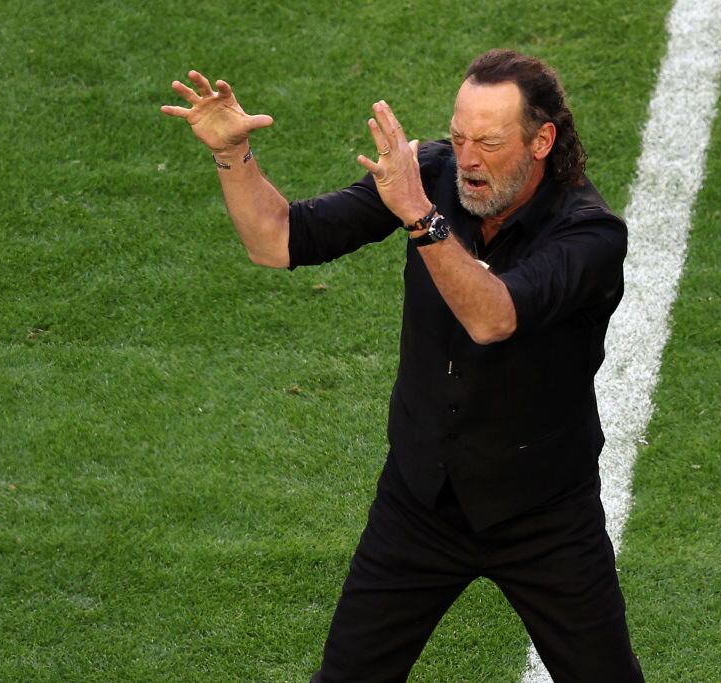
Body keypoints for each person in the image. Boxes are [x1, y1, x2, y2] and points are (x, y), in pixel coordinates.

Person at [162, 49, 644, 682]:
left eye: (490, 143)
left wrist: (419, 214)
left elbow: (492, 316)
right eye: (459, 136)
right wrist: (231, 153)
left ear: (541, 141)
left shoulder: (590, 235)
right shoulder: (435, 174)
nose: (468, 159)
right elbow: (277, 240)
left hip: (544, 513)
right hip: (420, 500)